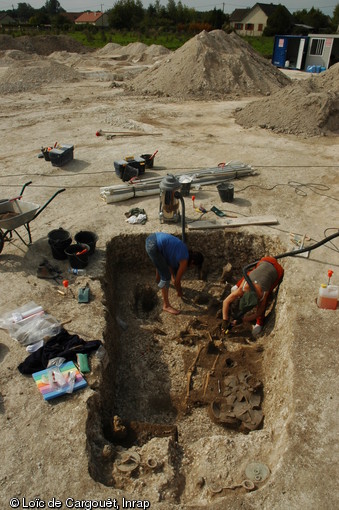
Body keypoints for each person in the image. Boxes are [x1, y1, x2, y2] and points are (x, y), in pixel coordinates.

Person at [222, 256, 284, 336]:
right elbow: (225, 301)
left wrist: (243, 319)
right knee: (248, 275)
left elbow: (258, 313)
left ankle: (259, 323)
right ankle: (236, 286)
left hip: (277, 271)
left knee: (267, 293)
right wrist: (225, 320)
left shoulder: (263, 295)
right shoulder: (243, 288)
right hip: (266, 260)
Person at [145, 232, 204, 315]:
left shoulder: (183, 251)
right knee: (165, 277)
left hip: (151, 238)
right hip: (154, 246)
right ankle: (166, 305)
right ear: (193, 262)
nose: (191, 268)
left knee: (161, 263)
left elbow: (169, 264)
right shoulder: (184, 260)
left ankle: (158, 280)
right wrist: (179, 292)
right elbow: (177, 282)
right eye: (193, 266)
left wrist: (173, 278)